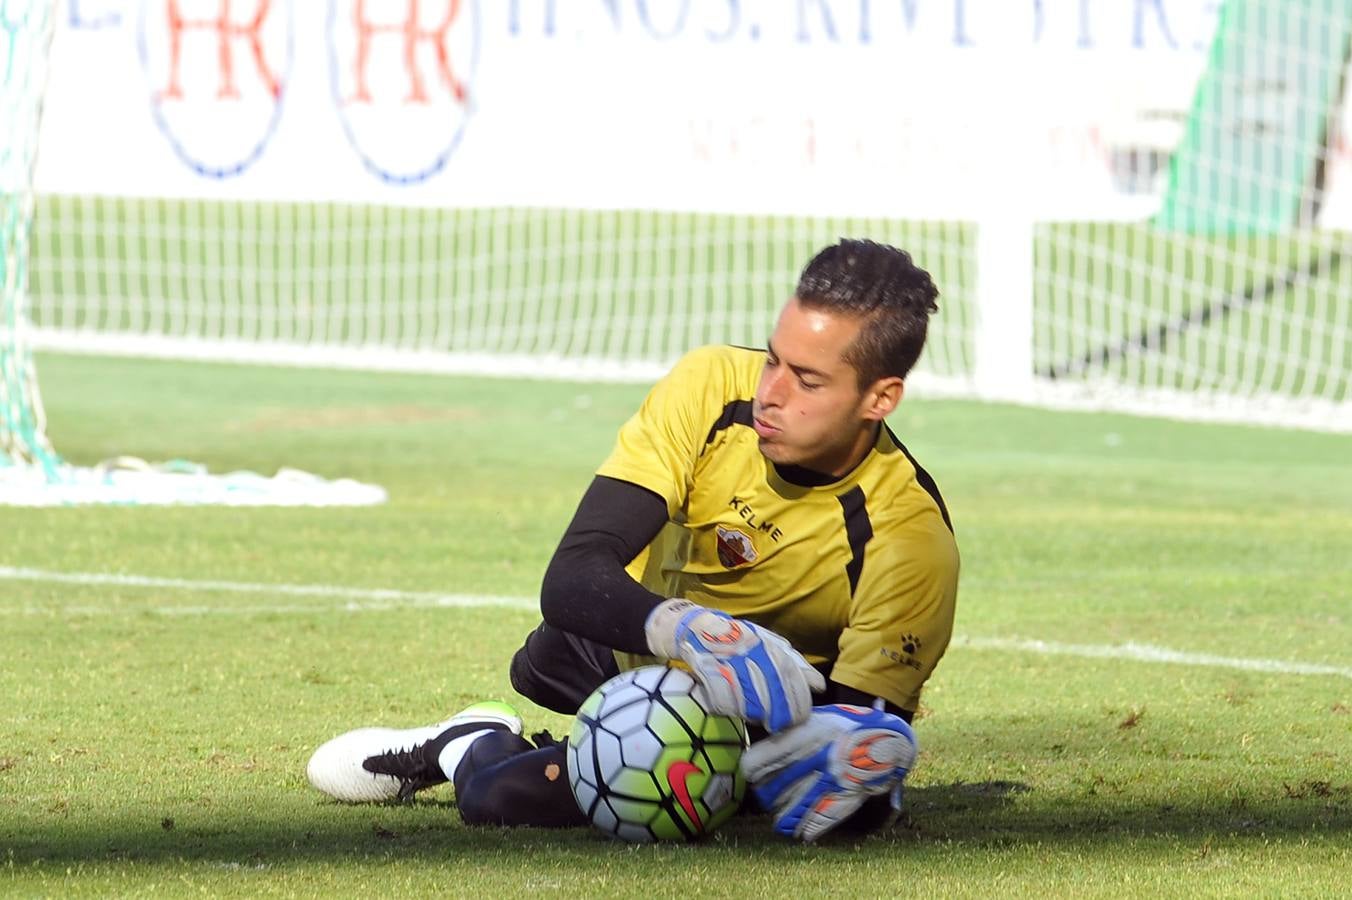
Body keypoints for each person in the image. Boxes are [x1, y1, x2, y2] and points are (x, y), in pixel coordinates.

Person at [306, 239, 960, 841]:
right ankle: (470, 733)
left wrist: (868, 760)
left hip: (747, 716)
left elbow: (850, 742)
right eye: (773, 360)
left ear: (881, 398)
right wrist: (689, 630)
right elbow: (572, 573)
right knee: (536, 692)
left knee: (498, 798)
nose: (771, 393)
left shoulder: (910, 537)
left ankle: (471, 747)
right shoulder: (708, 386)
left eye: (808, 381)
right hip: (615, 642)